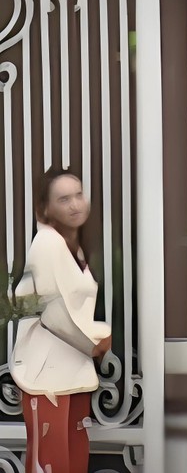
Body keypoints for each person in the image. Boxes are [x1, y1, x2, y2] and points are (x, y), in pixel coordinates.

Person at [10, 168, 112, 473]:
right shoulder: (46, 244)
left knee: (73, 461)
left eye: (78, 195)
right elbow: (53, 314)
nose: (75, 204)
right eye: (64, 199)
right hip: (47, 375)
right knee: (51, 463)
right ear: (45, 208)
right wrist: (94, 344)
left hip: (72, 371)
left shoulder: (71, 246)